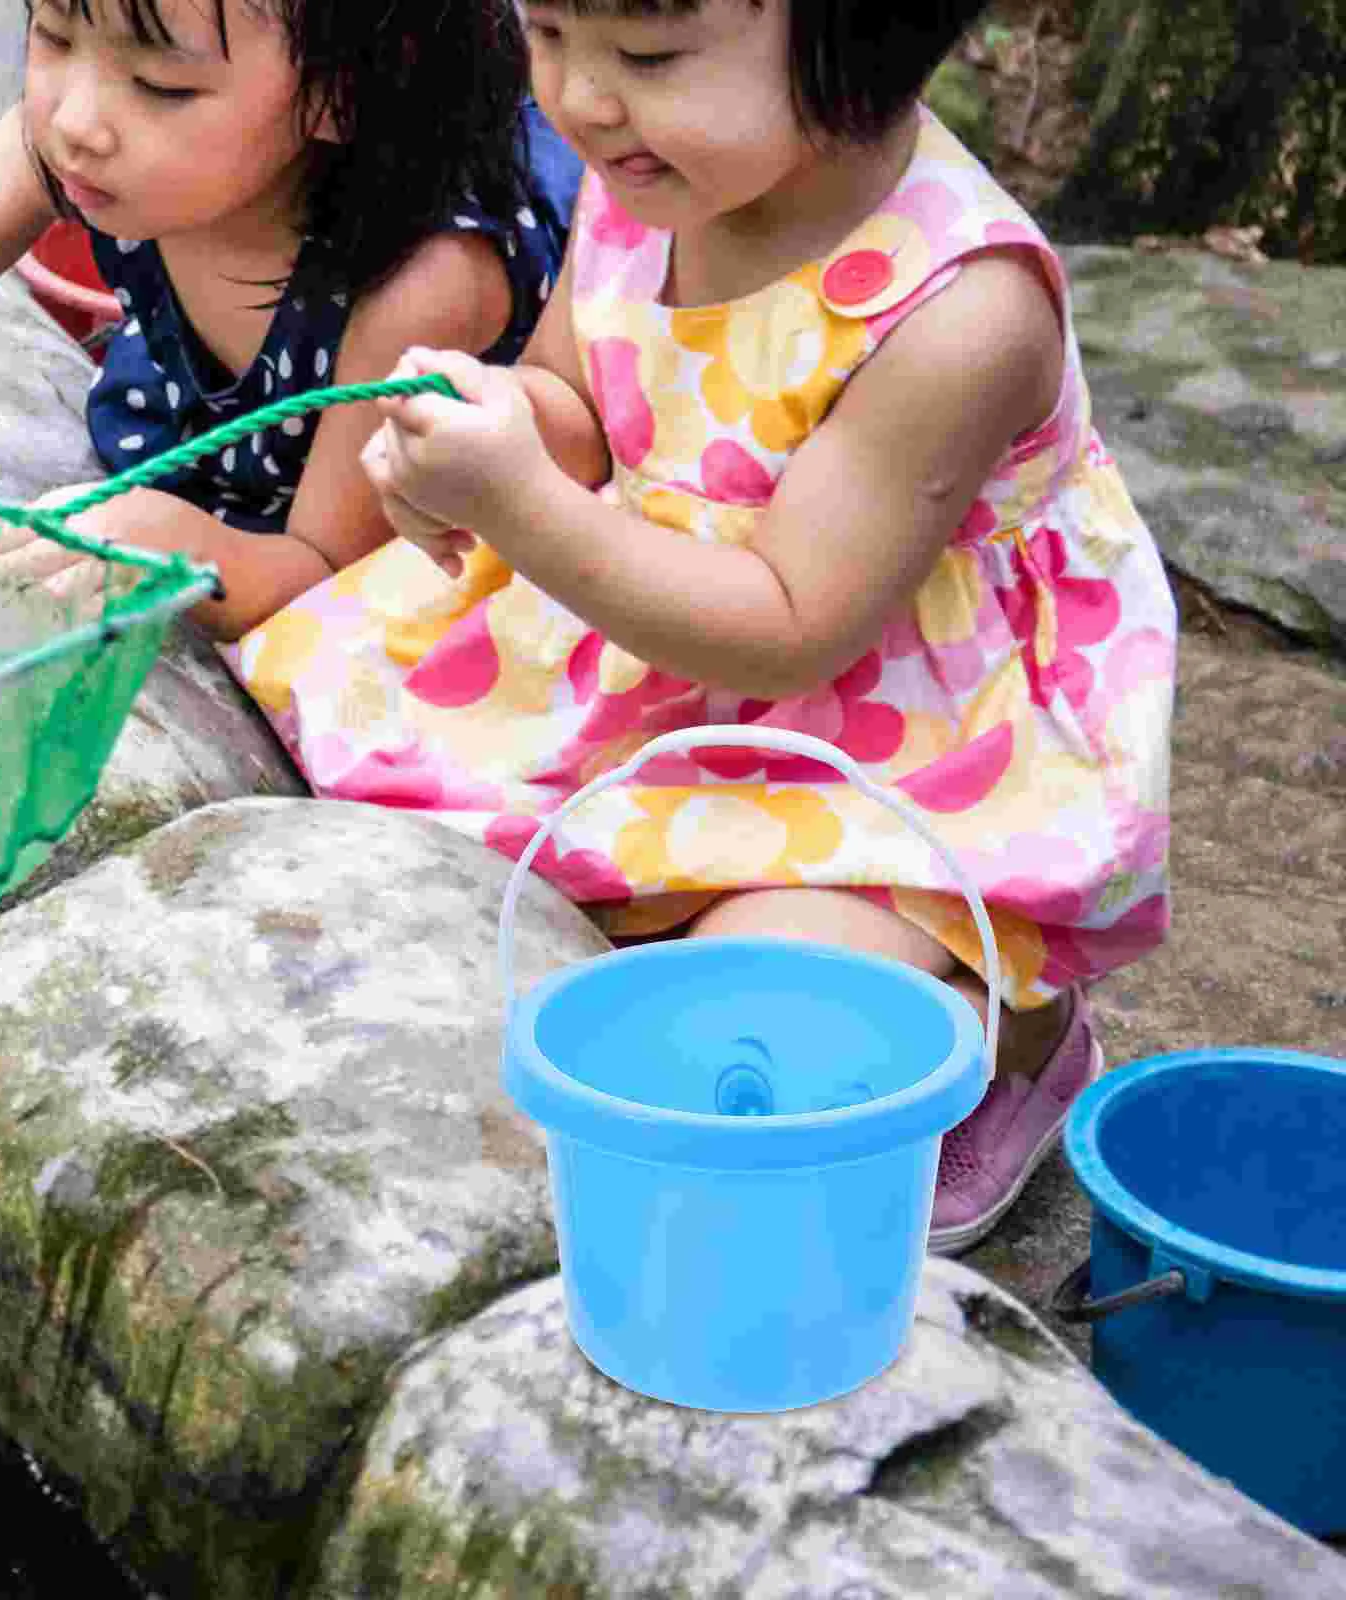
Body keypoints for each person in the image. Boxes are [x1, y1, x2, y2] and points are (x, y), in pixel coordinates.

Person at [230, 0, 1178, 1254]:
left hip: (901, 740)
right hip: (670, 622)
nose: (579, 98)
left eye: (648, 57)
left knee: (756, 1020)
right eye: (551, 32)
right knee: (343, 735)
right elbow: (585, 395)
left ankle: (1021, 1026)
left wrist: (520, 506)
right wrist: (510, 427)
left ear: (857, 43)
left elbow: (790, 627)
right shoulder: (661, 167)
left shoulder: (962, 312)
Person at [0, 0, 581, 639]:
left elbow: (328, 577)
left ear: (341, 94)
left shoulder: (419, 284)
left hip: (368, 544)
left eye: (162, 85)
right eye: (54, 33)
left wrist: (169, 544)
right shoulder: (80, 142)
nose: (75, 119)